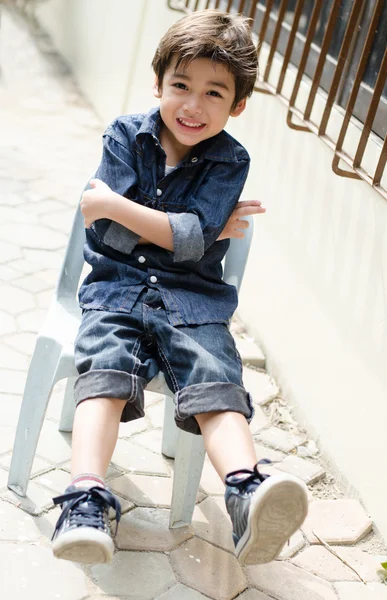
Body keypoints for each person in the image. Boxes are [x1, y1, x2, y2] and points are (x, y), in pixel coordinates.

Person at [51, 9, 308, 566]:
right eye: (181, 86)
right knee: (105, 370)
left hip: (194, 301)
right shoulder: (125, 135)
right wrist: (189, 226)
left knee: (216, 379)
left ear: (237, 104)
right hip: (115, 291)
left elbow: (181, 242)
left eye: (215, 93)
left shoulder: (229, 159)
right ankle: (86, 498)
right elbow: (115, 237)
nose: (194, 105)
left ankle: (245, 490)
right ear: (159, 84)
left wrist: (121, 206)